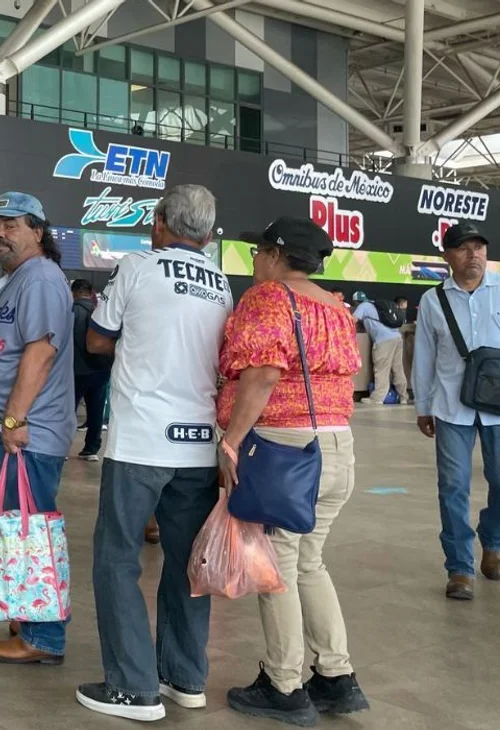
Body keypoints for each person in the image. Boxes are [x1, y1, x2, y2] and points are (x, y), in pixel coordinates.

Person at [77, 184, 230, 722]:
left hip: (142, 438)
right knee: (189, 564)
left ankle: (132, 687)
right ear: (208, 234)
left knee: (116, 559)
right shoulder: (221, 282)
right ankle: (185, 677)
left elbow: (98, 339)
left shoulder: (138, 267)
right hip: (199, 443)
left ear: (160, 222)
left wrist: (139, 343)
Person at [219, 218, 368, 725]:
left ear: (275, 254)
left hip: (286, 447)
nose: (255, 263)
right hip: (337, 446)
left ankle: (284, 684)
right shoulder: (336, 307)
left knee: (277, 568)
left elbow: (261, 376)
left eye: (258, 253)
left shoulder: (268, 299)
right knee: (310, 562)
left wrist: (232, 440)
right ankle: (335, 676)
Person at [0, 192, 74, 665]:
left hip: (29, 434)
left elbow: (41, 352)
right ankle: (28, 618)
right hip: (15, 433)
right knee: (20, 527)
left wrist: (13, 419)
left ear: (38, 230)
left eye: (11, 225)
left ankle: (43, 638)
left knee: (31, 533)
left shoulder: (42, 279)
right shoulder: (19, 279)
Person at [414, 222, 500, 600]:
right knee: (453, 488)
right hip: (451, 407)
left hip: (499, 408)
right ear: (447, 256)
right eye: (464, 249)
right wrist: (422, 405)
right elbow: (424, 357)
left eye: (479, 248)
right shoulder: (434, 301)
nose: (474, 255)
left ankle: (493, 541)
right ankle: (460, 568)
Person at [71, 279, 111, 462]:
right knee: (96, 411)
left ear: (73, 293)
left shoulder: (72, 312)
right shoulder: (101, 312)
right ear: (90, 292)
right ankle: (91, 449)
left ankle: (62, 447)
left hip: (77, 370)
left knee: (68, 410)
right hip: (101, 371)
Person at [352, 292, 407, 406]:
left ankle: (377, 398)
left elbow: (353, 319)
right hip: (397, 337)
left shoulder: (363, 306)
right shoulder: (374, 304)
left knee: (381, 369)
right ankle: (403, 397)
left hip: (383, 340)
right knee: (398, 368)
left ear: (356, 302)